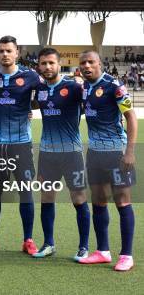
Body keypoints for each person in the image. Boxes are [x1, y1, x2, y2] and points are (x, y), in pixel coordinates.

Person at [0, 35, 40, 255]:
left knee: (26, 192)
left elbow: (46, 95)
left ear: (17, 53)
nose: (4, 54)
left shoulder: (30, 76)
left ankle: (28, 240)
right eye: (1, 51)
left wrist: (29, 106)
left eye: (8, 51)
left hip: (21, 144)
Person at [78, 50, 137, 271]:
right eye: (83, 63)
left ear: (99, 64)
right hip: (94, 153)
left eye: (91, 62)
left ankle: (126, 255)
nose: (86, 66)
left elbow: (131, 116)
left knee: (122, 201)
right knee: (99, 200)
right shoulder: (84, 87)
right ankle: (103, 251)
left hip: (116, 152)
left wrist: (130, 151)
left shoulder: (114, 86)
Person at [31, 48, 90, 260]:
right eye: (43, 63)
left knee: (79, 199)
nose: (47, 67)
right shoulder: (39, 89)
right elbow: (35, 105)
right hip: (47, 153)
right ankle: (48, 244)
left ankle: (84, 246)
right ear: (39, 65)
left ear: (59, 64)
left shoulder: (74, 87)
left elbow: (92, 106)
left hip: (71, 153)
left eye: (51, 63)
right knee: (46, 198)